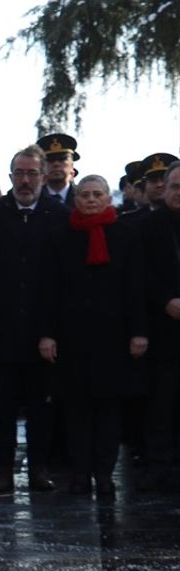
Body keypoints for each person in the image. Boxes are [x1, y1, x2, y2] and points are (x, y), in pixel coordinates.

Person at [40, 175, 148, 500]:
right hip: (72, 338)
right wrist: (47, 334)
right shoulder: (60, 236)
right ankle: (79, 475)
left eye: (96, 194)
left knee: (109, 413)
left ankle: (104, 476)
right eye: (84, 194)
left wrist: (139, 332)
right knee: (76, 412)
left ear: (107, 199)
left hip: (114, 339)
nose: (90, 199)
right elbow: (48, 290)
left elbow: (136, 287)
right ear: (76, 200)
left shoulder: (126, 234)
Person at [0, 145, 67, 493]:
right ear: (11, 176)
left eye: (32, 173)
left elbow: (62, 281)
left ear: (43, 177)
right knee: (1, 406)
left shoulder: (59, 216)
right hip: (0, 331)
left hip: (41, 332)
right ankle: (3, 469)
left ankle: (39, 469)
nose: (26, 180)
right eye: (20, 173)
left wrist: (50, 331)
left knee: (40, 407)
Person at [141, 161, 180, 492]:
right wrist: (166, 300)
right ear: (164, 189)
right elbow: (140, 273)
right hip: (162, 329)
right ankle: (158, 467)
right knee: (161, 406)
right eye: (176, 187)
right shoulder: (147, 226)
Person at [37, 133, 78, 208]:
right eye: (50, 159)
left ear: (72, 164)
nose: (56, 164)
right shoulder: (33, 199)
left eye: (62, 159)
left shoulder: (83, 197)